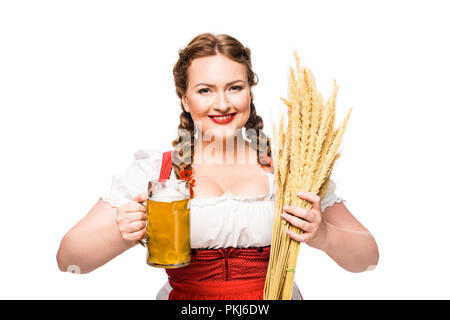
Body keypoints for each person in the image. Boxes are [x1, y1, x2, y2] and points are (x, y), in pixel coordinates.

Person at [56, 32, 379, 300]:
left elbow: (367, 261)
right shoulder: (157, 171)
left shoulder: (292, 167)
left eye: (234, 87)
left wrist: (322, 234)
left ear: (250, 91)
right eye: (205, 90)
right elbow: (70, 261)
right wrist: (121, 234)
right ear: (185, 99)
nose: (222, 104)